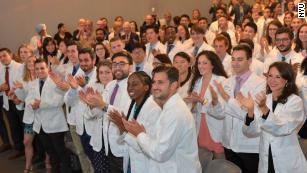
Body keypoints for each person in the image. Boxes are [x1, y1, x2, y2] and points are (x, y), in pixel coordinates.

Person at [121, 66, 202, 173]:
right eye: (154, 82)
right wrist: (143, 135)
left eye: (160, 82)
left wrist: (140, 134)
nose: (155, 86)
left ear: (173, 85)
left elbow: (160, 153)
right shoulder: (169, 108)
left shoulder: (175, 112)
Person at [241, 62, 307, 173]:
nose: (272, 80)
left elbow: (283, 128)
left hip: (287, 161)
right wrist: (250, 112)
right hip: (266, 159)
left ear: (287, 80)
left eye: (278, 77)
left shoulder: (295, 101)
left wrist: (263, 108)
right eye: (270, 76)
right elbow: (250, 132)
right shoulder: (264, 99)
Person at [213, 44, 266, 173]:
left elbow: (249, 115)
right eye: (233, 59)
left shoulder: (260, 83)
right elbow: (221, 113)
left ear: (249, 61)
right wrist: (215, 104)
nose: (235, 63)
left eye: (240, 59)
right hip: (228, 143)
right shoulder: (227, 82)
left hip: (249, 146)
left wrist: (227, 98)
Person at [103, 71, 161, 173]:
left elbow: (147, 145)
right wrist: (123, 126)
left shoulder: (153, 109)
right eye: (128, 84)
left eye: (135, 84)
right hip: (131, 159)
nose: (130, 88)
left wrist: (123, 128)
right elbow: (129, 136)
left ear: (146, 87)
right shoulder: (134, 104)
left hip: (145, 164)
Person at [26, 58, 71, 173]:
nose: (39, 71)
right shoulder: (33, 83)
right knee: (50, 152)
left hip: (55, 123)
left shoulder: (56, 81)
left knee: (61, 151)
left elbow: (58, 101)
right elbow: (28, 100)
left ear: (48, 68)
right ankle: (55, 170)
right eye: (37, 69)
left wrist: (40, 104)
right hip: (40, 125)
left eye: (42, 68)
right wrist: (33, 104)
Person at [186, 50, 228, 159]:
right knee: (203, 159)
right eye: (199, 63)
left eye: (205, 63)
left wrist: (202, 101)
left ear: (212, 65)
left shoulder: (221, 81)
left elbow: (221, 112)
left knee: (220, 162)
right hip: (200, 125)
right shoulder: (197, 81)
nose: (201, 66)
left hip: (214, 125)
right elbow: (195, 109)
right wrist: (193, 102)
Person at [0, 48, 24, 159]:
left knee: (23, 125)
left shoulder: (20, 67)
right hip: (7, 101)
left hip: (18, 100)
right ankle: (19, 149)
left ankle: (30, 150)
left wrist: (16, 94)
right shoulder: (0, 68)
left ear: (10, 54)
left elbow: (24, 84)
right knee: (13, 126)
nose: (2, 58)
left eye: (4, 55)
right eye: (0, 57)